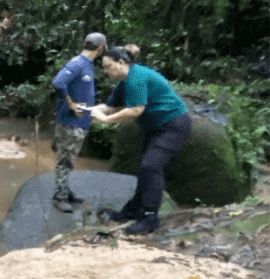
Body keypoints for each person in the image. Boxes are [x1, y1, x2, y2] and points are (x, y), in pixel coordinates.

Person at [91, 46, 191, 234]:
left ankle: (150, 217)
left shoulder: (136, 77)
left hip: (173, 126)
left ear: (121, 62)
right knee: (145, 169)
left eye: (107, 66)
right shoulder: (124, 82)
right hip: (155, 128)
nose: (105, 71)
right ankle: (133, 211)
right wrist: (88, 110)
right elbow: (111, 107)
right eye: (103, 68)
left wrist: (105, 120)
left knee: (151, 166)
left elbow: (136, 110)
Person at [50, 32, 108, 212]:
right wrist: (70, 103)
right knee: (65, 160)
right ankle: (59, 197)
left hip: (79, 122)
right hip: (70, 122)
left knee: (70, 159)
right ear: (100, 48)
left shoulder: (87, 64)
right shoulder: (77, 63)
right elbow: (58, 82)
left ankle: (65, 192)